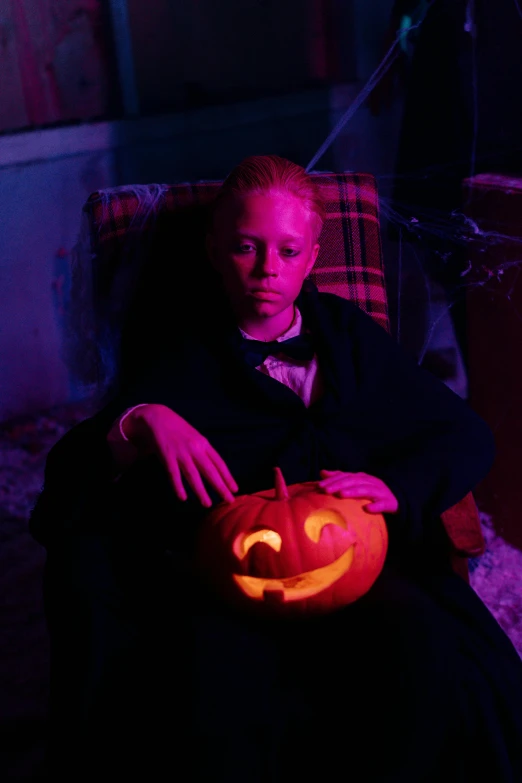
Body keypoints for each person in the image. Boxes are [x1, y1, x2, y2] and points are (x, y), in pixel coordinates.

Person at [31, 155, 522, 781]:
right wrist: (142, 419)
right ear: (213, 250)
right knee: (217, 703)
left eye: (288, 253)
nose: (267, 271)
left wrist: (397, 487)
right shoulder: (184, 349)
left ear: (313, 259)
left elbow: (462, 435)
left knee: (434, 669)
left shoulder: (344, 334)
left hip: (362, 567)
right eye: (246, 247)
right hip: (236, 585)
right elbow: (71, 481)